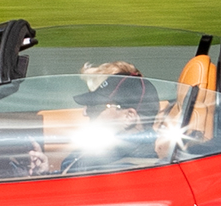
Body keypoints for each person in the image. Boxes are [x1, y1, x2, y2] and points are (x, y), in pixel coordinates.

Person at [24, 62, 161, 175]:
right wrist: (45, 174)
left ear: (129, 117)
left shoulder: (128, 170)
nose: (85, 112)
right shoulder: (106, 152)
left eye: (95, 106)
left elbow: (74, 198)